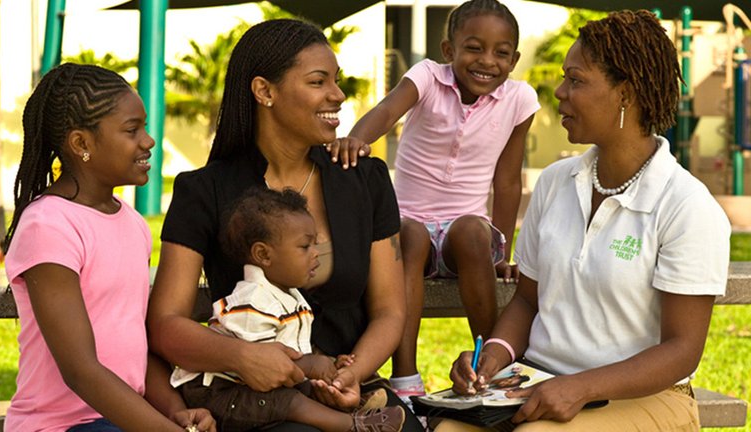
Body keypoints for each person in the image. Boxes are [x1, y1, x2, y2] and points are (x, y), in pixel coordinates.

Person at [440, 10, 731, 431]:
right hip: (540, 380)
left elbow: (682, 350)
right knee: (447, 428)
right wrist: (493, 358)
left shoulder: (686, 205)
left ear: (625, 94)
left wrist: (579, 387)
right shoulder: (555, 182)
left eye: (575, 80)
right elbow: (527, 302)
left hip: (650, 398)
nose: (560, 92)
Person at [147, 19, 424, 431]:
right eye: (318, 81)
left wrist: (347, 375)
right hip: (253, 400)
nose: (337, 94)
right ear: (264, 91)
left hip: (352, 390)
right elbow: (165, 324)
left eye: (336, 80)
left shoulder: (365, 179)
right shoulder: (204, 191)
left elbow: (389, 310)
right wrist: (242, 357)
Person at [330, 0, 539, 403]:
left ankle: (489, 366)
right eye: (474, 48)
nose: (487, 61)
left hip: (465, 235)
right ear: (448, 50)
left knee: (473, 232)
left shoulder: (520, 99)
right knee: (409, 234)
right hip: (410, 227)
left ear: (514, 60)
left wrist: (503, 255)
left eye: (501, 53)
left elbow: (508, 181)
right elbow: (386, 111)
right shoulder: (427, 76)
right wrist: (357, 139)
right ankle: (405, 376)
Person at [2, 63, 216, 432]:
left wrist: (173, 411)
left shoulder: (132, 223)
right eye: (132, 130)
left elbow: (134, 344)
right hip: (60, 425)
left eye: (144, 128)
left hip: (117, 421)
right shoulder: (48, 225)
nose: (148, 141)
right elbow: (80, 370)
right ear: (81, 144)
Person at [171, 187, 405, 431]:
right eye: (305, 246)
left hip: (255, 389)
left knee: (308, 389)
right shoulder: (252, 302)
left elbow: (292, 349)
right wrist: (310, 365)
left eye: (315, 244)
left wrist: (331, 365)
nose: (316, 254)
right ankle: (353, 424)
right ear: (263, 254)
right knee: (291, 402)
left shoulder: (290, 296)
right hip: (220, 392)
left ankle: (343, 403)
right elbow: (260, 364)